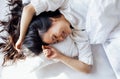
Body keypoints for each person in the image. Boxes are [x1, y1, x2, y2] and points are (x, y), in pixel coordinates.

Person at [1, 0, 93, 73]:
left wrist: (21, 38)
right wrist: (59, 56)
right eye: (57, 41)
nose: (61, 38)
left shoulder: (63, 3)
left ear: (52, 20)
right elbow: (87, 67)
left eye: (54, 37)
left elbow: (28, 9)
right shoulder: (80, 34)